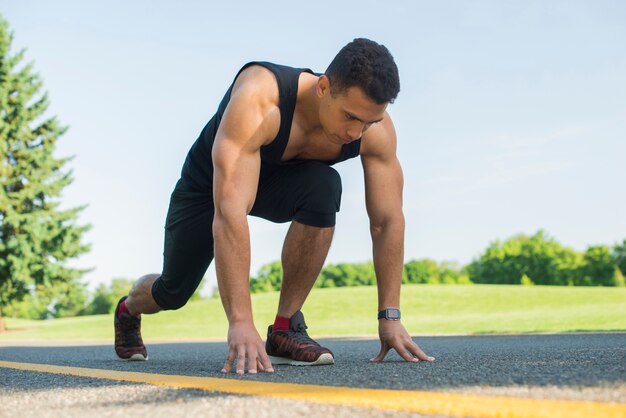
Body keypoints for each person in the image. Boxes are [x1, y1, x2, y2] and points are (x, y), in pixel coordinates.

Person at [114, 38, 435, 374]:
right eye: (350, 117)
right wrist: (240, 321)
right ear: (323, 87)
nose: (357, 133)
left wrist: (390, 316)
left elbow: (386, 221)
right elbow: (230, 211)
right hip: (209, 188)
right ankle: (128, 309)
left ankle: (284, 328)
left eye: (368, 122)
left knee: (324, 186)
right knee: (173, 291)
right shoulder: (260, 98)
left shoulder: (376, 130)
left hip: (282, 184)